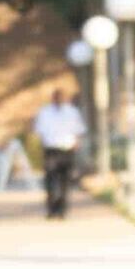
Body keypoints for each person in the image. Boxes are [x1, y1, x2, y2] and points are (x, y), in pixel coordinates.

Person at [31, 84, 88, 219]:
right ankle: (51, 208)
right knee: (50, 180)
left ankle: (62, 209)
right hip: (51, 149)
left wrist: (76, 142)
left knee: (65, 181)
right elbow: (39, 131)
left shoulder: (72, 112)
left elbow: (78, 130)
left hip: (67, 149)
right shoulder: (45, 112)